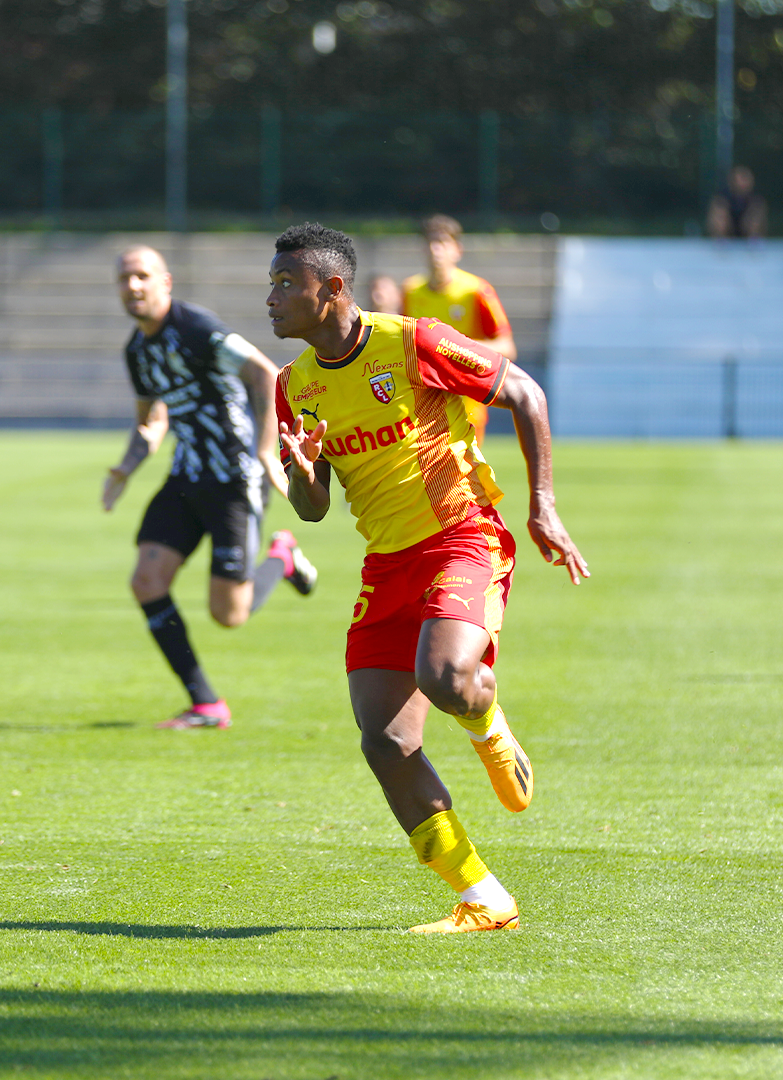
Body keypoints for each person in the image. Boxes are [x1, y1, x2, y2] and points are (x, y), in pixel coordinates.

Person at [268, 222, 589, 933]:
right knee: (384, 740)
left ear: (334, 288)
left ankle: (488, 723)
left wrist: (544, 509)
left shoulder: (410, 341)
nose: (272, 298)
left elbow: (526, 395)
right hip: (387, 564)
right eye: (272, 284)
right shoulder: (294, 386)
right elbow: (314, 510)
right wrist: (300, 470)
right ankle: (483, 896)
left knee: (446, 678)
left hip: (461, 537)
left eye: (287, 283)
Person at [103, 245, 316, 730]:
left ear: (165, 282)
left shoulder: (196, 328)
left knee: (229, 614)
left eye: (141, 276)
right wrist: (125, 468)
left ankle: (282, 558)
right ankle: (206, 704)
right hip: (185, 476)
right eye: (124, 279)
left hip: (235, 480)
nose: (132, 286)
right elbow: (152, 421)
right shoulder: (137, 351)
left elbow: (263, 372)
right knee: (146, 581)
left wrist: (265, 451)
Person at [401, 215, 517, 441]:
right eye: (430, 242)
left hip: (467, 404)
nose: (436, 249)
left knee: (465, 475)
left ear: (457, 250)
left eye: (443, 243)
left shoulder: (476, 291)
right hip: (423, 406)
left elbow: (507, 348)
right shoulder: (410, 291)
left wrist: (454, 349)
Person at [706, 165, 767, 240]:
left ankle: (754, 240)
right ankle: (720, 240)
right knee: (719, 212)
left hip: (746, 230)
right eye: (742, 178)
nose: (744, 182)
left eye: (746, 178)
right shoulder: (723, 196)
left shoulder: (755, 198)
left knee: (757, 212)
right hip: (728, 231)